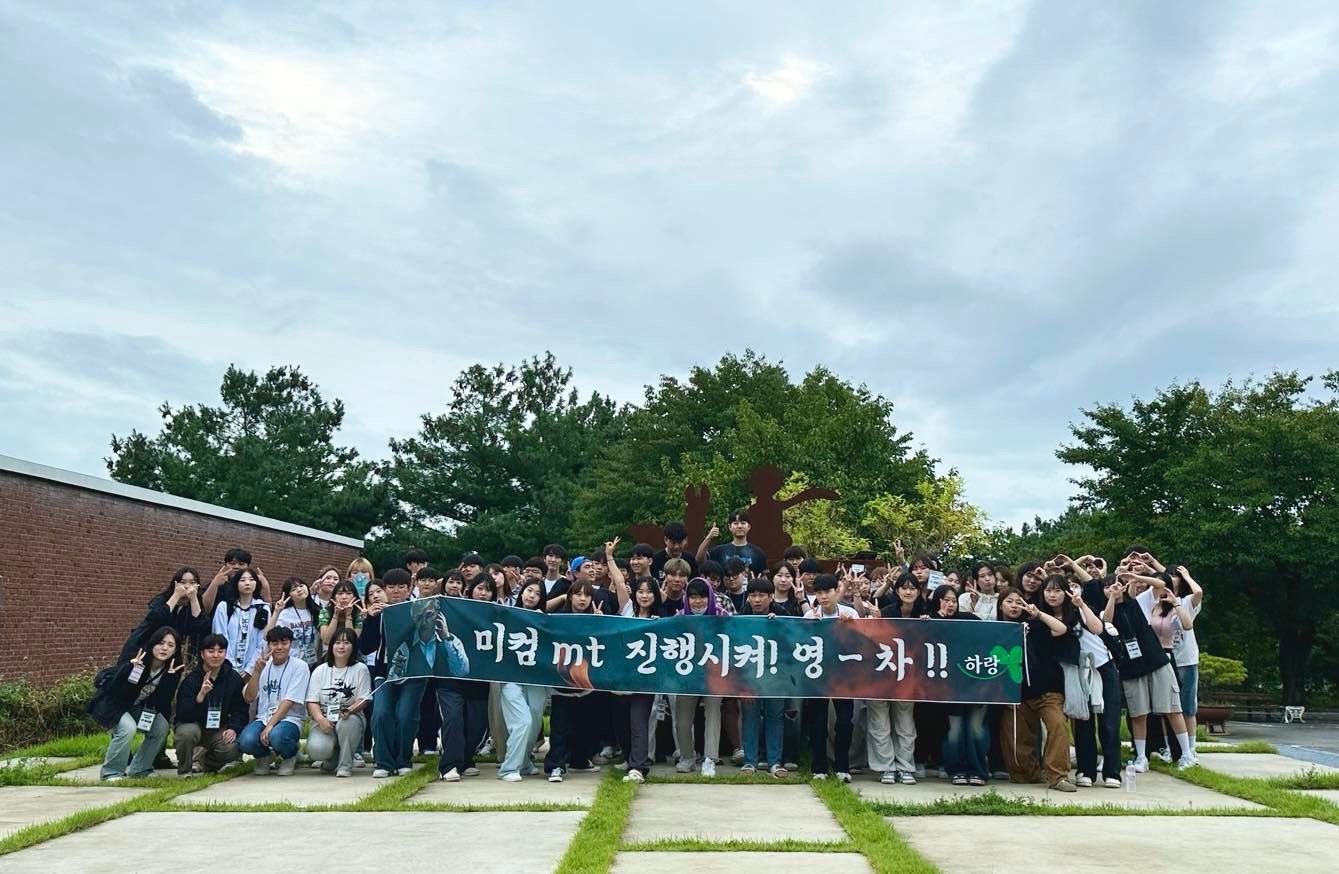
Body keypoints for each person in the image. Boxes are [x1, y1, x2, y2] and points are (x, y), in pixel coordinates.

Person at [1103, 568, 1197, 771]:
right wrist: (1112, 597)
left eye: (1116, 585)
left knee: (1172, 709)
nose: (1113, 588)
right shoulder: (1106, 610)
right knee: (1138, 714)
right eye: (1107, 587)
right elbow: (1107, 622)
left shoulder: (1140, 601)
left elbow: (1161, 584)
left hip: (1156, 661)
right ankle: (1141, 757)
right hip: (1130, 668)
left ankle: (1187, 754)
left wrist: (1136, 578)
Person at [998, 584, 1077, 791]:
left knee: (1058, 725)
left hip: (1048, 689)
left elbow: (1062, 629)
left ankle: (1058, 777)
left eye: (1018, 602)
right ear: (1000, 605)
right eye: (1009, 602)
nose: (1014, 606)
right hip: (1016, 693)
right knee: (1016, 737)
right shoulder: (996, 629)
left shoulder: (1034, 624)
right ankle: (1028, 774)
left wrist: (1038, 614)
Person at [92, 627, 184, 781]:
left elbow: (161, 702)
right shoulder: (138, 660)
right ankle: (111, 773)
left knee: (161, 727)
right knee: (128, 728)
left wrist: (169, 678)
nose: (164, 648)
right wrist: (131, 669)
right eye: (161, 643)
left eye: (170, 645)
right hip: (113, 705)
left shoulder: (172, 669)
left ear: (175, 650)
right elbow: (116, 691)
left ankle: (140, 769)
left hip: (136, 707)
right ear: (152, 644)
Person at [608, 546, 661, 783]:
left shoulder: (661, 620)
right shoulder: (628, 610)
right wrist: (609, 557)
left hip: (645, 681)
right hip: (621, 679)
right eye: (640, 591)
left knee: (639, 722)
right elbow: (620, 583)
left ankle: (638, 767)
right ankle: (632, 759)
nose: (644, 596)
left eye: (649, 592)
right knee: (622, 723)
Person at [928, 585, 989, 786]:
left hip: (974, 686)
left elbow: (993, 634)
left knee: (976, 729)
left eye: (953, 600)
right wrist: (935, 622)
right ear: (937, 602)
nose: (950, 604)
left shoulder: (969, 619)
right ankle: (956, 770)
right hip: (948, 689)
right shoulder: (930, 621)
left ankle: (978, 771)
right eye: (946, 600)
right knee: (953, 731)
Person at [868, 572, 925, 785]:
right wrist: (877, 623)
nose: (908, 592)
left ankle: (905, 766)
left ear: (918, 591)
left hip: (909, 678)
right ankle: (885, 767)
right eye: (904, 587)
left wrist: (928, 624)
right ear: (897, 590)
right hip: (880, 675)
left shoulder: (924, 613)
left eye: (912, 588)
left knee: (905, 724)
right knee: (880, 723)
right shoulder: (886, 612)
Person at [545, 580, 602, 783]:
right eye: (578, 594)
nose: (582, 599)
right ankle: (556, 765)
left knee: (584, 726)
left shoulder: (596, 620)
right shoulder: (558, 619)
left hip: (586, 685)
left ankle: (580, 760)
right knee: (560, 727)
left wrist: (601, 623)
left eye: (587, 595)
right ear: (570, 596)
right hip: (562, 684)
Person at [497, 579, 552, 782]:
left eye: (537, 594)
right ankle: (509, 768)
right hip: (510, 677)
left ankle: (524, 762)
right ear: (521, 592)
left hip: (535, 678)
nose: (532, 596)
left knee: (535, 722)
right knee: (522, 721)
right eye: (529, 590)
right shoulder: (507, 614)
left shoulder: (544, 620)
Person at [804, 574, 857, 782]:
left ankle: (842, 766)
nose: (823, 596)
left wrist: (850, 626)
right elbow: (801, 644)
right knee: (817, 722)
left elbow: (861, 642)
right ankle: (819, 767)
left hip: (844, 676)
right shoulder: (810, 615)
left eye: (827, 591)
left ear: (837, 591)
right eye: (819, 593)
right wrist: (812, 627)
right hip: (817, 676)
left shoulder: (849, 613)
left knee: (844, 721)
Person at [437, 575, 490, 782]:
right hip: (450, 680)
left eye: (488, 590)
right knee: (453, 718)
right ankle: (449, 765)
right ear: (470, 590)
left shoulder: (496, 615)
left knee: (476, 725)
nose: (483, 593)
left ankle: (466, 759)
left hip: (480, 681)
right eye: (480, 588)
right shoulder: (453, 609)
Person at [673, 578, 727, 777]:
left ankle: (710, 759)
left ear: (710, 597)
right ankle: (687, 757)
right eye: (693, 597)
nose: (697, 602)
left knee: (713, 714)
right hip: (686, 676)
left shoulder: (722, 615)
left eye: (702, 597)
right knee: (682, 718)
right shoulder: (679, 617)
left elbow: (738, 634)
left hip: (714, 676)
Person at [174, 633, 247, 776]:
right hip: (193, 725)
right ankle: (185, 771)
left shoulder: (233, 678)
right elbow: (183, 714)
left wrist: (233, 728)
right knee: (186, 734)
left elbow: (240, 709)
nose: (216, 655)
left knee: (234, 746)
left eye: (220, 651)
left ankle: (205, 762)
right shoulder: (191, 680)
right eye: (211, 651)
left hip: (218, 728)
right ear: (202, 654)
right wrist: (200, 696)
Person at [240, 626, 310, 776]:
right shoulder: (262, 665)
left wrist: (270, 725)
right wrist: (256, 672)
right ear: (268, 645)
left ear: (290, 644)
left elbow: (289, 700)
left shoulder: (300, 666)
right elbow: (249, 697)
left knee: (277, 736)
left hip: (290, 719)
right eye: (274, 643)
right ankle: (264, 756)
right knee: (246, 740)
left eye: (284, 643)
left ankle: (290, 755)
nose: (279, 647)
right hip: (263, 718)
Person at [305, 627, 373, 777]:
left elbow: (364, 699)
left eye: (346, 643)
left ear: (353, 647)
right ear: (331, 646)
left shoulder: (360, 669)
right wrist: (321, 719)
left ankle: (345, 765)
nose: (341, 646)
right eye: (337, 643)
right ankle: (332, 757)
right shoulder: (320, 670)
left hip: (349, 717)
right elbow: (312, 702)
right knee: (317, 750)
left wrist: (350, 710)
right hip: (325, 719)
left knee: (347, 723)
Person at [739, 577, 788, 777]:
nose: (757, 600)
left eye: (762, 595)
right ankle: (749, 761)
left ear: (770, 597)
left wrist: (778, 625)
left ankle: (775, 762)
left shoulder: (782, 615)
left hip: (776, 677)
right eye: (753, 595)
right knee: (749, 717)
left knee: (774, 717)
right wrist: (743, 683)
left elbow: (792, 642)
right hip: (749, 677)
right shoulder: (741, 617)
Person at [118, 567, 211, 669]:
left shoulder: (194, 605)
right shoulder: (163, 599)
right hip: (144, 648)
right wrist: (176, 595)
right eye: (183, 582)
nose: (187, 586)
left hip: (169, 654)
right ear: (175, 584)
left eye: (192, 583)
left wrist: (194, 599)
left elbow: (201, 626)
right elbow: (155, 618)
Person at [211, 566, 268, 680]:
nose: (247, 583)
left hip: (253, 671)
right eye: (242, 580)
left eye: (251, 579)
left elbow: (263, 642)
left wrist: (250, 669)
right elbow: (220, 636)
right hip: (226, 668)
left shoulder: (263, 608)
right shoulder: (224, 607)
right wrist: (231, 666)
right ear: (236, 584)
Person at [267, 576, 321, 668]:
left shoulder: (316, 611)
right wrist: (276, 612)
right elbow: (267, 636)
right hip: (289, 664)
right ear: (289, 596)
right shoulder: (285, 614)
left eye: (301, 586)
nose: (299, 590)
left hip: (311, 664)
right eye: (294, 589)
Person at [696, 509, 768, 574]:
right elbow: (699, 559)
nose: (739, 526)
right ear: (729, 527)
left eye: (743, 523)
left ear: (749, 526)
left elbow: (763, 577)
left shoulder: (757, 553)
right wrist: (709, 537)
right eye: (736, 523)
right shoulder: (720, 551)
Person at [319, 580, 364, 647]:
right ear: (334, 596)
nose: (344, 597)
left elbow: (352, 641)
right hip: (331, 650)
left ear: (354, 596)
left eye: (348, 593)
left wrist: (348, 615)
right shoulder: (326, 611)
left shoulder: (359, 613)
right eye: (340, 593)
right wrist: (336, 615)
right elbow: (326, 640)